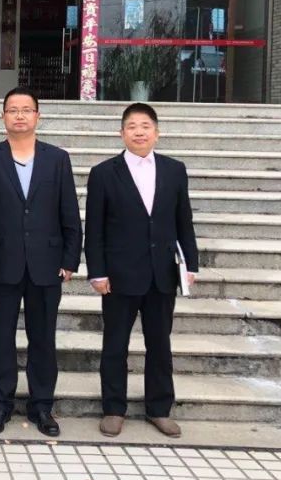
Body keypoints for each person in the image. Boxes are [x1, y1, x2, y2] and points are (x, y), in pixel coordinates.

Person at [0, 87, 81, 437]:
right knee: (0, 338)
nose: (19, 115)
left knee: (43, 339)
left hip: (46, 264)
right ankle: (0, 405)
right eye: (13, 109)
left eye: (26, 109)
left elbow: (69, 212)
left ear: (37, 116)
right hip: (0, 263)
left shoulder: (57, 159)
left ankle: (42, 406)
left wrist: (70, 258)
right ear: (3, 116)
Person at [85, 102, 199, 439]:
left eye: (145, 126)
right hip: (119, 275)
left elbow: (184, 221)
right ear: (122, 133)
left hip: (162, 273)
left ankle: (159, 409)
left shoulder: (174, 170)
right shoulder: (104, 173)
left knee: (160, 344)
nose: (139, 132)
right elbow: (95, 228)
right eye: (132, 126)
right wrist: (97, 272)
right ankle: (113, 408)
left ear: (156, 133)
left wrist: (190, 264)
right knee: (115, 344)